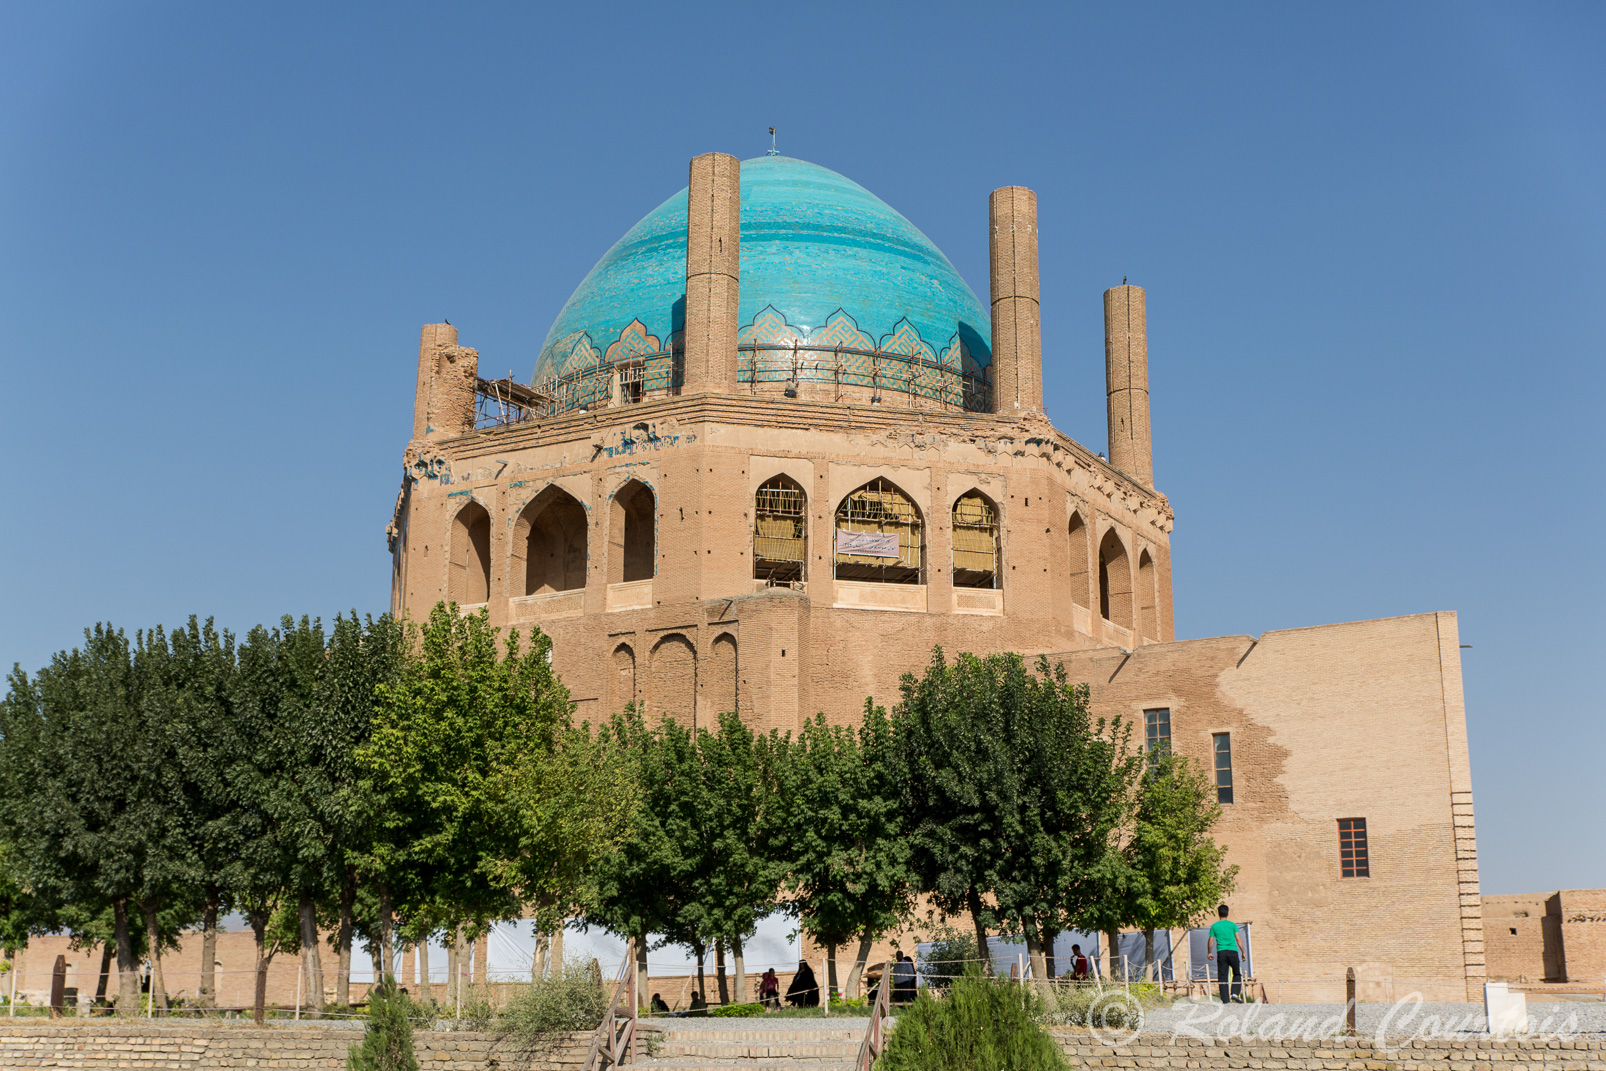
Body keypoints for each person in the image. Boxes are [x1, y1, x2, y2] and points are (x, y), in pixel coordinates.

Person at [1207, 903, 1243, 1003]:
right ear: (1227, 913)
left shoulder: (1214, 926)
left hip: (1221, 953)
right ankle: (1235, 993)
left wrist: (1209, 952)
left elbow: (1210, 940)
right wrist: (1243, 952)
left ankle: (1225, 1000)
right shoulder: (1232, 925)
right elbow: (1238, 939)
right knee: (1237, 973)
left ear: (1218, 913)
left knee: (1222, 976)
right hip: (1233, 952)